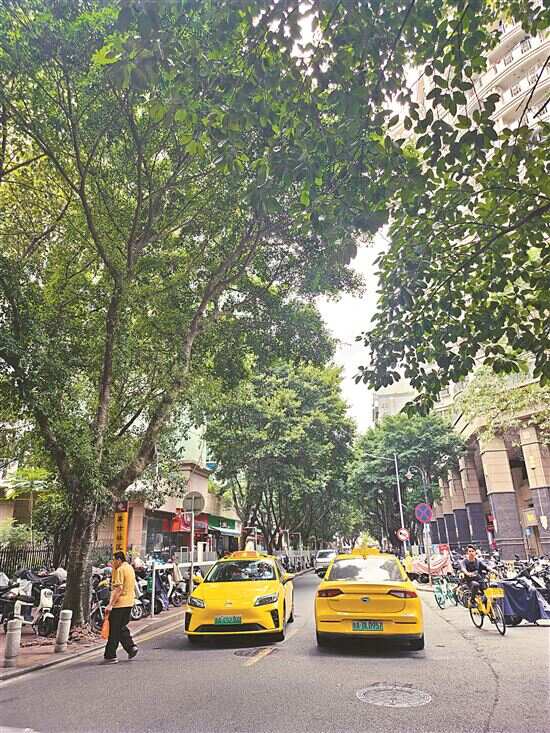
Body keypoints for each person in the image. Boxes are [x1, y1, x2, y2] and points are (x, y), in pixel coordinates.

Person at [103, 551, 138, 664]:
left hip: (120, 604)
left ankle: (110, 655)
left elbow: (118, 589)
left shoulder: (120, 570)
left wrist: (110, 605)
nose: (112, 563)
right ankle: (131, 647)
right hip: (129, 603)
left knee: (114, 630)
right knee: (120, 627)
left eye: (113, 560)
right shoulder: (130, 568)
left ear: (119, 560)